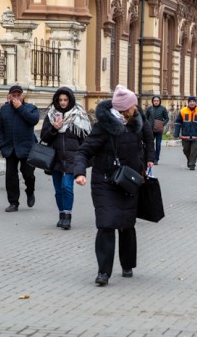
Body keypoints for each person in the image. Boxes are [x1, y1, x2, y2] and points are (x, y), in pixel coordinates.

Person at [74, 85, 154, 287]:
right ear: (124, 108)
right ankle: (103, 272)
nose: (136, 107)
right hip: (105, 182)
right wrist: (80, 172)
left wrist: (146, 163)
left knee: (126, 224)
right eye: (133, 105)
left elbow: (145, 144)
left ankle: (127, 264)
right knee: (106, 224)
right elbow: (84, 151)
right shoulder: (104, 127)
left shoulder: (136, 123)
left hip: (129, 183)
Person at [40, 87, 91, 230]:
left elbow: (85, 139)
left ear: (70, 100)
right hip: (55, 158)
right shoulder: (51, 115)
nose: (63, 103)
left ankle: (67, 216)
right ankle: (61, 214)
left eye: (65, 100)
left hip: (72, 158)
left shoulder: (78, 115)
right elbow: (44, 137)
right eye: (60, 100)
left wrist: (85, 158)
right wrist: (54, 129)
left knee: (67, 187)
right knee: (58, 190)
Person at [0, 85, 40, 212]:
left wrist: (20, 108)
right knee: (11, 176)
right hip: (10, 148)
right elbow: (1, 129)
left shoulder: (31, 108)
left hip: (26, 148)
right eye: (13, 95)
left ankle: (30, 191)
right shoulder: (4, 110)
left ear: (22, 96)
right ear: (9, 96)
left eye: (18, 95)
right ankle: (13, 202)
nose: (16, 98)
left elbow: (33, 120)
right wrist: (2, 144)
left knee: (28, 174)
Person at [174, 96, 197, 170]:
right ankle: (190, 160)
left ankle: (192, 164)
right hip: (185, 135)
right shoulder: (183, 111)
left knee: (194, 151)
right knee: (186, 150)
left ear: (195, 102)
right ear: (188, 102)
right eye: (190, 101)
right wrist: (176, 133)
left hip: (196, 135)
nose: (192, 103)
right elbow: (178, 122)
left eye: (193, 101)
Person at [145, 95, 169, 165]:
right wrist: (148, 125)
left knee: (158, 144)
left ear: (159, 101)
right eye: (154, 101)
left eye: (157, 101)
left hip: (159, 130)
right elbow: (145, 118)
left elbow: (167, 118)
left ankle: (156, 159)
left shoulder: (163, 109)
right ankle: (151, 158)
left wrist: (162, 124)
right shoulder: (149, 109)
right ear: (152, 101)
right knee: (150, 144)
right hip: (150, 129)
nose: (156, 102)